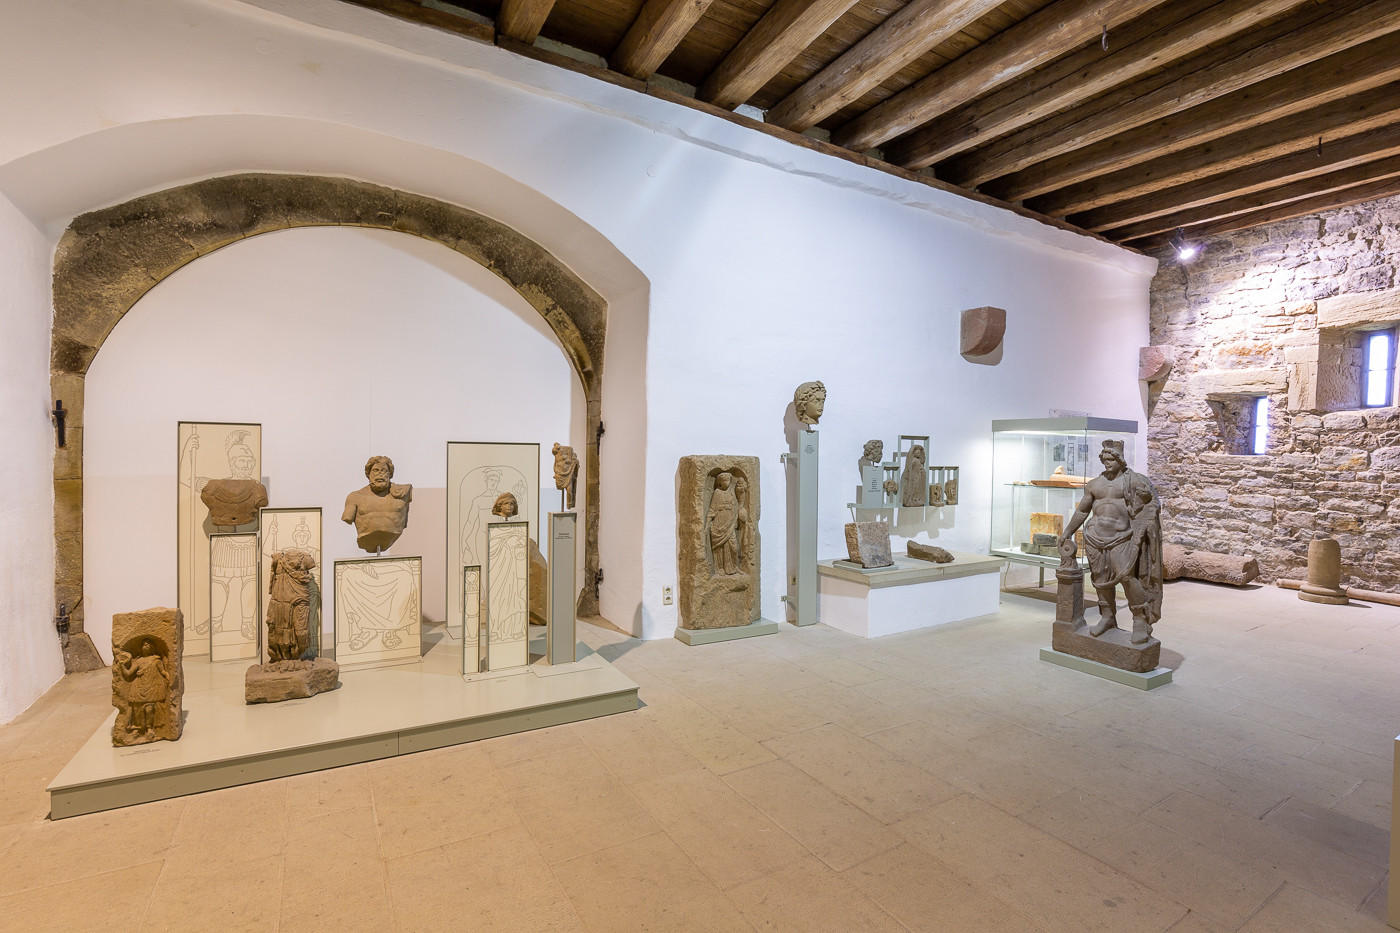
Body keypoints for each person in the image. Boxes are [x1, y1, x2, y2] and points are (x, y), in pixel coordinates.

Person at [1059, 440, 1163, 644]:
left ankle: (1140, 619)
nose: (1107, 463)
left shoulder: (1133, 481)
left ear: (1120, 460)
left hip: (1121, 537)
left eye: (1111, 459)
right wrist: (1068, 532)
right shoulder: (1094, 484)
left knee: (1127, 577)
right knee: (1099, 578)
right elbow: (1082, 511)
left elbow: (1152, 505)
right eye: (1104, 459)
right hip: (1094, 537)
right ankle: (1107, 616)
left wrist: (1145, 519)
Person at [342, 455, 413, 552]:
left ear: (390, 474)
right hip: (366, 538)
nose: (380, 474)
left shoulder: (403, 493)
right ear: (368, 474)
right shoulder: (355, 497)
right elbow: (347, 518)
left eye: (384, 470)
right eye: (375, 470)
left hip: (393, 535)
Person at [116, 639, 171, 735]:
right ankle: (139, 727)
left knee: (149, 709)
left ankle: (149, 728)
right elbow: (128, 674)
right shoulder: (139, 661)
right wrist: (122, 666)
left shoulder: (156, 660)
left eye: (147, 645)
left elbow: (162, 671)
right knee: (138, 709)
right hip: (139, 688)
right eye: (143, 645)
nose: (144, 646)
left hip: (152, 687)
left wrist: (168, 676)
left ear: (152, 648)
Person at [707, 472, 741, 575]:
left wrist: (735, 520)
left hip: (730, 522)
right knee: (720, 547)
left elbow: (735, 507)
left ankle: (734, 566)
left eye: (728, 480)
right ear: (720, 482)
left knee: (734, 547)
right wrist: (707, 524)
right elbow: (712, 509)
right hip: (719, 521)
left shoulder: (731, 492)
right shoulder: (717, 492)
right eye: (724, 481)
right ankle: (720, 568)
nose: (726, 482)